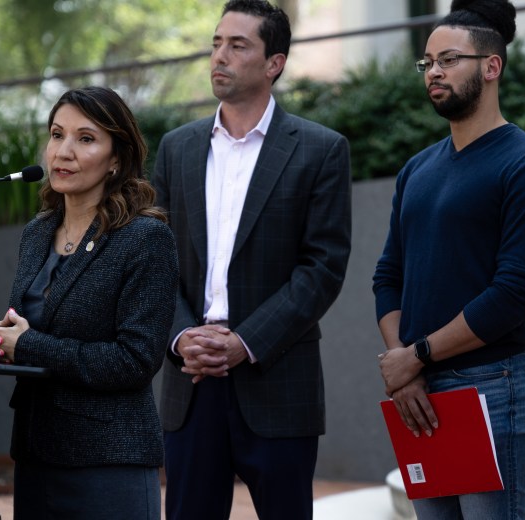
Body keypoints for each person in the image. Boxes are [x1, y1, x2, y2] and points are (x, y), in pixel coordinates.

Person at [153, 1, 352, 519]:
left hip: (277, 379)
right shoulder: (177, 149)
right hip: (190, 381)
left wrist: (245, 342)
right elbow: (154, 261)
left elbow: (323, 267)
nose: (220, 56)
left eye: (238, 45)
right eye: (217, 43)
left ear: (274, 64)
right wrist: (181, 338)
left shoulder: (320, 149)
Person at [373, 0, 525, 518]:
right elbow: (389, 276)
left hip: (496, 383)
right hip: (420, 389)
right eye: (428, 62)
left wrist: (415, 355)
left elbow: (516, 294)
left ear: (491, 66)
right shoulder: (417, 168)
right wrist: (404, 368)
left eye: (449, 59)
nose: (434, 71)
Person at [0, 86, 178, 520]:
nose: (63, 151)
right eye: (57, 134)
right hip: (36, 453)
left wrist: (25, 345)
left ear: (116, 157)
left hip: (107, 462)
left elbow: (135, 360)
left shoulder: (145, 238)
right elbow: (32, 331)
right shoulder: (38, 232)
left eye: (85, 138)